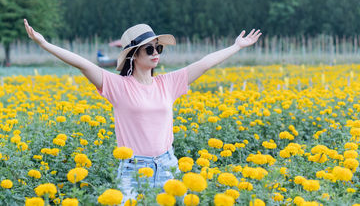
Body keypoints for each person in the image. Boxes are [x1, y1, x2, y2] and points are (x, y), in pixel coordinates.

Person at [24, 19, 261, 203]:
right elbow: (82, 64)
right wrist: (44, 44)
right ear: (134, 54)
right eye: (149, 49)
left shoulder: (168, 83)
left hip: (168, 166)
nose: (156, 52)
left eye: (158, 48)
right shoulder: (118, 86)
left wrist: (236, 46)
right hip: (132, 168)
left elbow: (205, 63)